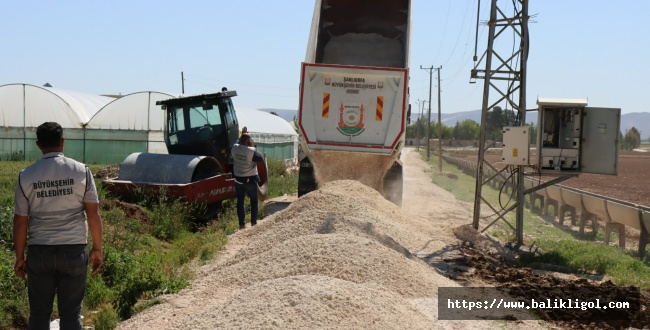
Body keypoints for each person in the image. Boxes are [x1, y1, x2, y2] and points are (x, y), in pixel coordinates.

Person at [13, 122, 103, 330]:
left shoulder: (26, 175)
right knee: (71, 316)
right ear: (62, 142)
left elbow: (20, 220)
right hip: (74, 250)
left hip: (39, 252)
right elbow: (93, 213)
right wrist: (97, 249)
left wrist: (19, 257)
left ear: (38, 144)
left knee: (38, 316)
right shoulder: (82, 171)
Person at [231, 130, 264, 230]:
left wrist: (242, 136)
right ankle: (253, 223)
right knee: (254, 201)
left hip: (238, 180)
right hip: (250, 180)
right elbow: (260, 158)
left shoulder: (234, 148)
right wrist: (253, 146)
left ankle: (242, 224)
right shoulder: (250, 152)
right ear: (248, 142)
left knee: (240, 202)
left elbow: (238, 142)